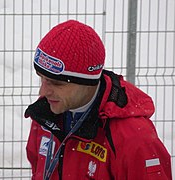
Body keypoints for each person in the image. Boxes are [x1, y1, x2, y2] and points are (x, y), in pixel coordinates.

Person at [24, 20, 172, 180]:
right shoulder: (46, 113)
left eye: (57, 83)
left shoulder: (134, 141)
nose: (43, 91)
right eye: (42, 79)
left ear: (87, 82)